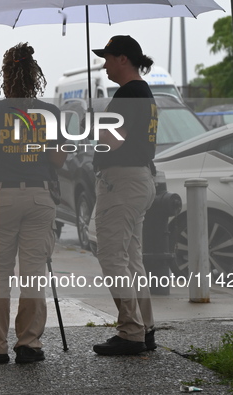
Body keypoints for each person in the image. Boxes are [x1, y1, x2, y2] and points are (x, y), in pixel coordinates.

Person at [0, 43, 66, 364]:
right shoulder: (49, 112)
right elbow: (57, 160)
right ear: (35, 76)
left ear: (6, 76)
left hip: (5, 195)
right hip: (40, 196)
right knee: (34, 273)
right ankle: (29, 344)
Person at [90, 35, 159, 356]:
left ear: (123, 59)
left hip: (121, 182)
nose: (103, 64)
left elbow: (111, 141)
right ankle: (144, 328)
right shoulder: (145, 93)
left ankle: (131, 331)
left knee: (112, 255)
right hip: (140, 179)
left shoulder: (128, 93)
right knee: (131, 258)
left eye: (107, 57)